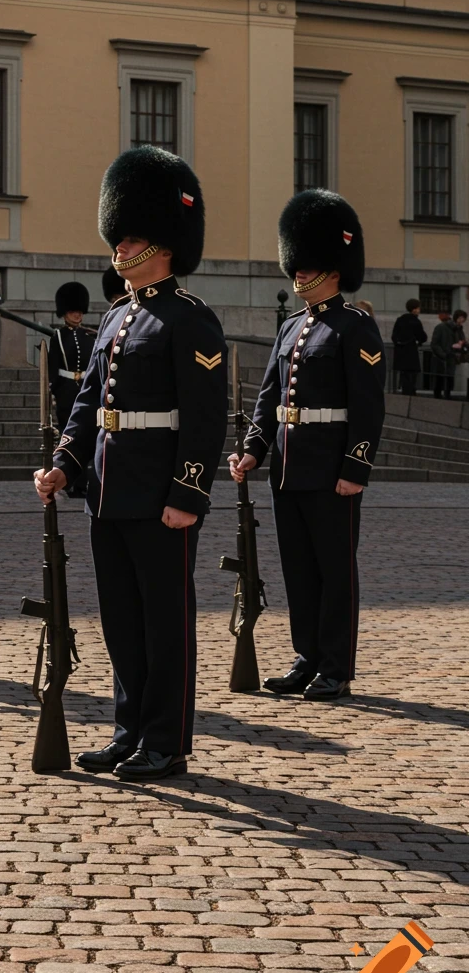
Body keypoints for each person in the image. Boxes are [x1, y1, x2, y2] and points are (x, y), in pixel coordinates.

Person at [34, 146, 229, 781]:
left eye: (134, 237)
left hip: (159, 494)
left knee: (164, 621)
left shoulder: (190, 319)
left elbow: (204, 419)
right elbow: (90, 401)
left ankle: (164, 738)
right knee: (120, 617)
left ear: (165, 246)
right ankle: (127, 729)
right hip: (108, 489)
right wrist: (65, 462)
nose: (120, 248)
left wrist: (188, 493)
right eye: (119, 236)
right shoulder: (118, 314)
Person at [229, 188, 386, 701]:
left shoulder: (354, 326)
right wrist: (254, 448)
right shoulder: (292, 326)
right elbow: (269, 397)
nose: (297, 273)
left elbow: (368, 406)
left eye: (308, 264)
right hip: (290, 468)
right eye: (296, 263)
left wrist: (355, 467)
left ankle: (336, 665)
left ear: (334, 269)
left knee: (334, 569)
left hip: (330, 467)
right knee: (298, 565)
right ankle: (307, 657)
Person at [48, 282, 96, 500]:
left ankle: (83, 484)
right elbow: (53, 366)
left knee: (87, 436)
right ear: (64, 313)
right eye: (72, 311)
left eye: (79, 311)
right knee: (69, 437)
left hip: (85, 389)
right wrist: (56, 389)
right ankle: (70, 481)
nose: (77, 315)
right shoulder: (58, 336)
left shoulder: (90, 336)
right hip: (67, 391)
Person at [391, 298, 427, 396]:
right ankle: (411, 393)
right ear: (415, 309)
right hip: (411, 352)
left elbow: (394, 337)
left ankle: (404, 391)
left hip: (401, 353)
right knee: (412, 375)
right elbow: (423, 337)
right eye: (418, 308)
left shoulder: (400, 320)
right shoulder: (415, 321)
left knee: (404, 375)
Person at [430, 308, 459, 399]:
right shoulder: (452, 328)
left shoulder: (443, 327)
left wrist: (443, 354)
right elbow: (435, 344)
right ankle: (446, 395)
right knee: (446, 378)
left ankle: (441, 396)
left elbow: (434, 343)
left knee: (442, 379)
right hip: (447, 357)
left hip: (445, 357)